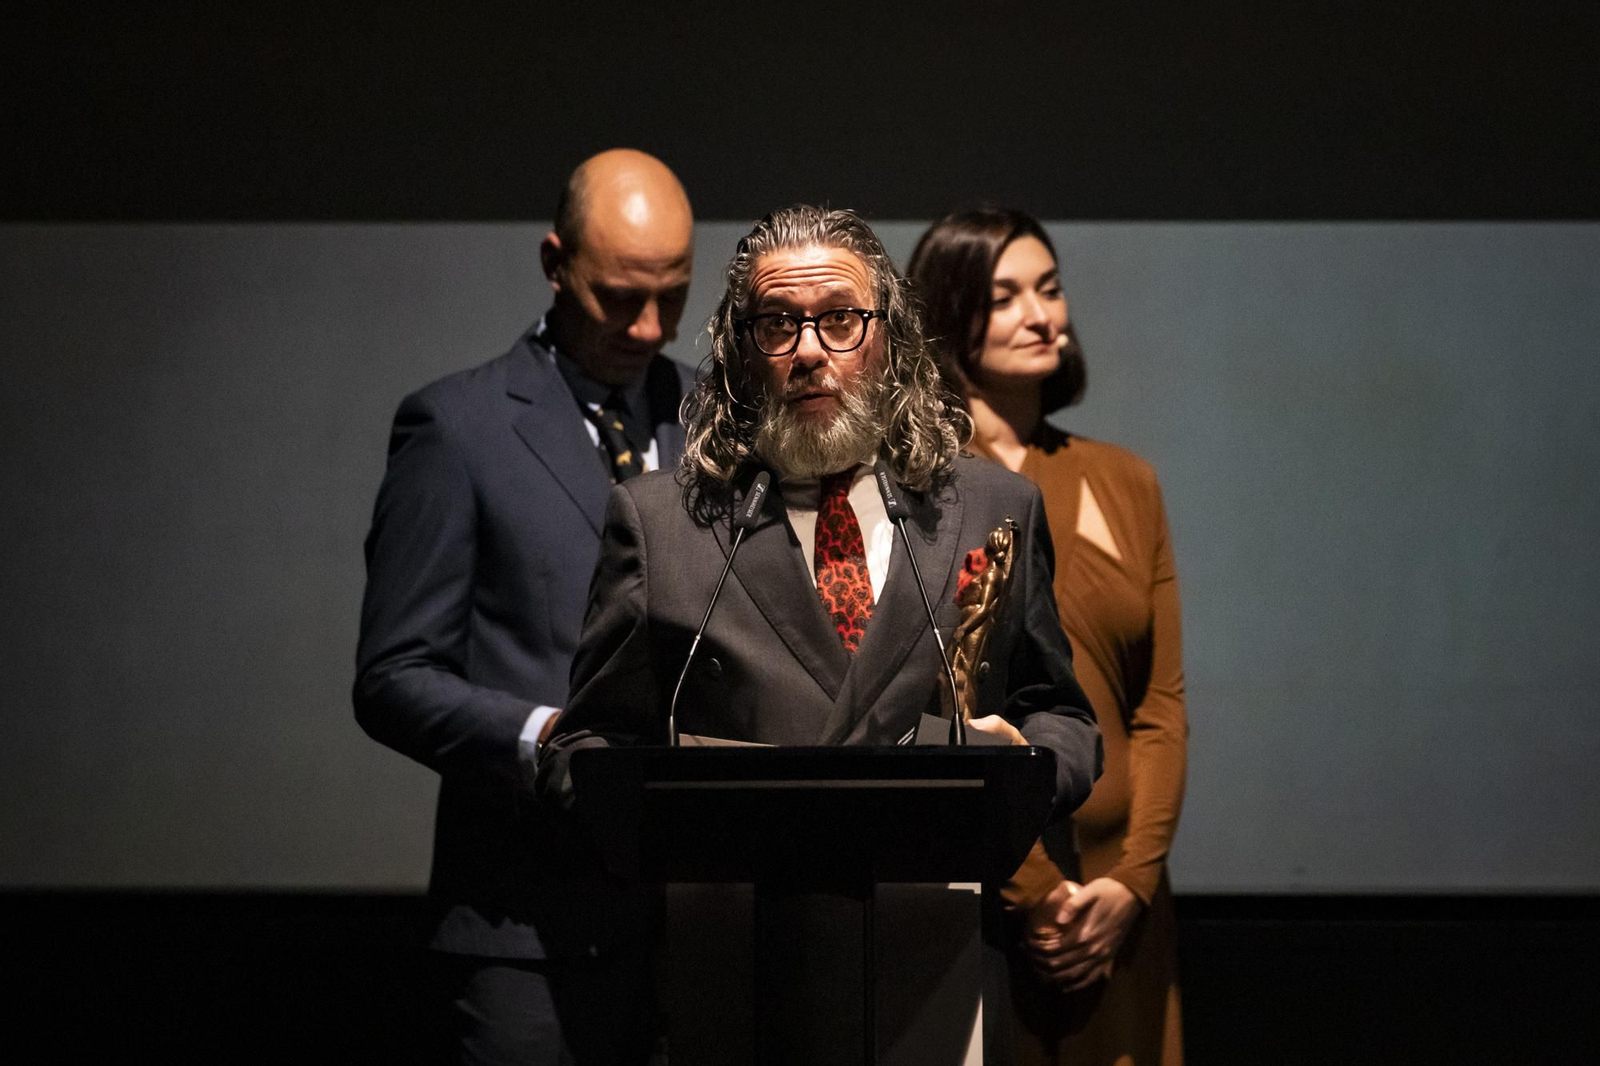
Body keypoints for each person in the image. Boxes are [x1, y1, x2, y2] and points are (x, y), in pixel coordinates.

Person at [538, 201, 1100, 839]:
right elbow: (581, 749)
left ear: (890, 340)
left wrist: (1024, 776)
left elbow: (1060, 715)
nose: (808, 351)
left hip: (931, 910)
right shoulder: (661, 524)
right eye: (777, 324)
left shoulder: (996, 506)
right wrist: (676, 820)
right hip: (734, 910)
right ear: (741, 353)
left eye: (840, 319)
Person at [354, 148, 696, 1064]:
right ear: (555, 265)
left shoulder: (713, 421)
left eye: (675, 295)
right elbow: (392, 676)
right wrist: (543, 739)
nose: (652, 326)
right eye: (621, 297)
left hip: (700, 922)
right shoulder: (456, 428)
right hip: (528, 930)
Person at [909, 206, 1188, 1065]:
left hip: (1122, 908)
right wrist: (1039, 896)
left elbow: (1160, 705)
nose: (1042, 315)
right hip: (987, 900)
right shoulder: (918, 490)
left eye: (1051, 288)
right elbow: (918, 704)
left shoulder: (1123, 479)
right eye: (1005, 296)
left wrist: (1130, 886)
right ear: (949, 318)